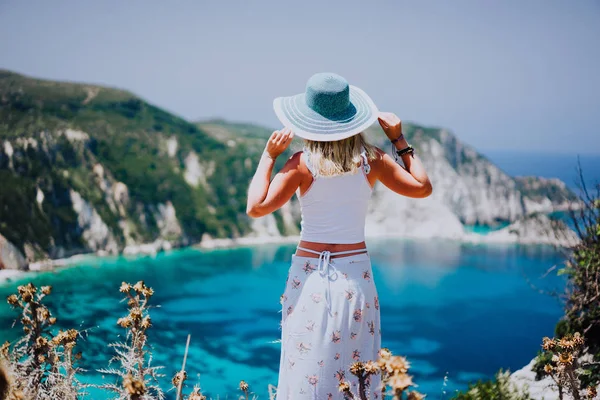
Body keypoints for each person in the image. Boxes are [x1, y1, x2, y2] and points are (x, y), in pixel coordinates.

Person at [246, 73, 432, 399]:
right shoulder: (372, 160)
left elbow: (255, 207)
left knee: (305, 368)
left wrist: (268, 156)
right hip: (355, 276)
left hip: (310, 277)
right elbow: (422, 187)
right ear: (351, 118)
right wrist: (399, 139)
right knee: (355, 370)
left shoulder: (301, 164)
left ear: (308, 120)